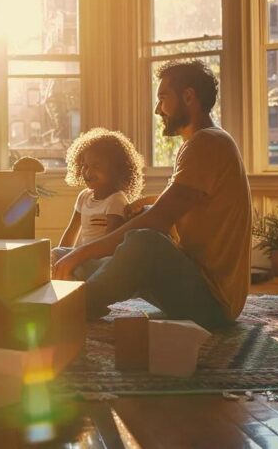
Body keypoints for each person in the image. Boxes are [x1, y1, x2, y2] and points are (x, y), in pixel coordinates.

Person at [52, 60, 251, 329]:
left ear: (189, 97)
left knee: (144, 243)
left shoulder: (208, 143)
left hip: (214, 303)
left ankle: (74, 306)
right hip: (190, 286)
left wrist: (83, 252)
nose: (158, 109)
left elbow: (158, 220)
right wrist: (144, 204)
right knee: (62, 255)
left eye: (163, 98)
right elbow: (182, 201)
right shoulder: (202, 143)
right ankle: (70, 293)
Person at [51, 128, 144, 280]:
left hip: (102, 261)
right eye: (85, 165)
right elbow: (71, 231)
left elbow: (110, 244)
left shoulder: (116, 200)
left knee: (80, 270)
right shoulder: (84, 197)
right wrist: (62, 258)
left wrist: (77, 258)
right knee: (53, 255)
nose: (88, 172)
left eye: (96, 166)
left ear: (116, 169)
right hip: (82, 257)